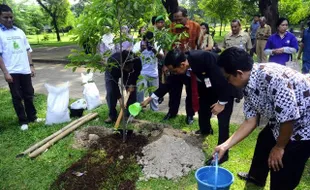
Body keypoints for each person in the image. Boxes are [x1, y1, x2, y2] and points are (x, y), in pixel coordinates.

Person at [214, 47, 310, 189]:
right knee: (264, 142)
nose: (228, 82)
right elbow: (250, 121)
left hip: (302, 129)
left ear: (239, 73)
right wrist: (225, 145)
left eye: (228, 78)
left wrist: (279, 147)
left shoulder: (274, 78)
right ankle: (255, 182)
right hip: (278, 123)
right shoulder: (248, 83)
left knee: (281, 169)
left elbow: (288, 119)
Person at [142, 49, 235, 164]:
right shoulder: (179, 68)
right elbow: (168, 84)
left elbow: (222, 79)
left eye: (174, 70)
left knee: (223, 120)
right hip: (206, 88)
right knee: (203, 110)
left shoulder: (204, 58)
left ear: (182, 64)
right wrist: (150, 98)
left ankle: (223, 154)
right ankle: (205, 130)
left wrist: (221, 103)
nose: (173, 73)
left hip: (223, 87)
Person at [0, 4, 39, 130]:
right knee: (17, 97)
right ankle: (23, 121)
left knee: (29, 94)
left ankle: (33, 117)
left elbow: (28, 50)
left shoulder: (19, 31)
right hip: (12, 71)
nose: (9, 20)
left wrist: (31, 66)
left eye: (11, 17)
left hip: (25, 69)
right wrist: (6, 72)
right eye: (6, 17)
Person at [160, 6, 200, 124]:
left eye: (180, 19)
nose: (177, 22)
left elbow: (200, 46)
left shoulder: (195, 27)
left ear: (186, 16)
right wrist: (166, 64)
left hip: (188, 66)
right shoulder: (171, 27)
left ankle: (190, 115)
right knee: (173, 90)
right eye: (175, 19)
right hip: (174, 66)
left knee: (191, 92)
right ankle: (172, 112)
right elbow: (167, 46)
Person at [104, 51, 142, 123]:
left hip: (129, 71)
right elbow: (113, 84)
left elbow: (136, 73)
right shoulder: (113, 63)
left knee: (131, 91)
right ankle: (112, 115)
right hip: (112, 73)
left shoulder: (137, 60)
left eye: (129, 67)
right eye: (126, 67)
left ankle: (130, 114)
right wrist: (119, 97)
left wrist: (131, 84)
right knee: (111, 92)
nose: (128, 69)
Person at [136, 31, 163, 111]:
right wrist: (141, 49)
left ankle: (154, 111)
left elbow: (161, 57)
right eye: (148, 41)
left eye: (151, 41)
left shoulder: (156, 44)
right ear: (144, 39)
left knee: (154, 94)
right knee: (140, 92)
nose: (149, 43)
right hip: (142, 72)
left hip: (153, 73)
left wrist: (154, 49)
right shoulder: (138, 44)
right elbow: (132, 56)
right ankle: (139, 109)